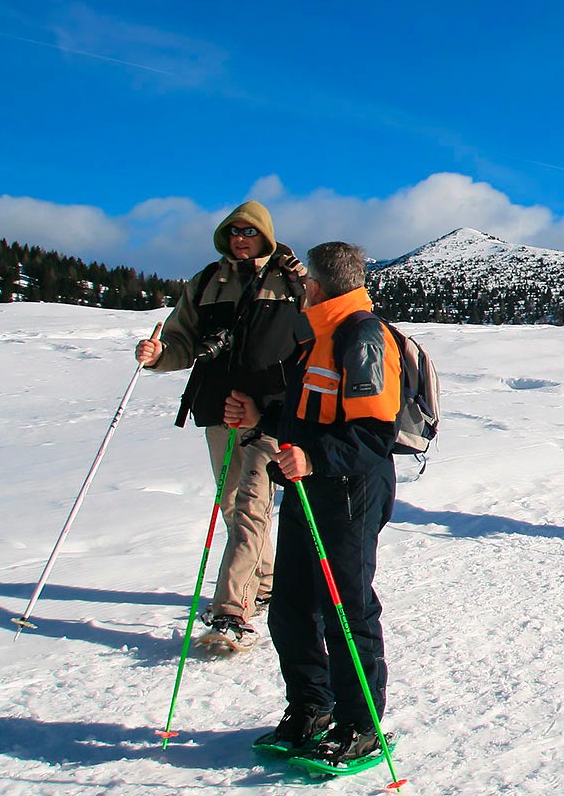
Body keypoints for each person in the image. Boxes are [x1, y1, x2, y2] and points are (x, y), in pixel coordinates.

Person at [225, 241, 401, 767]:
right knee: (291, 603)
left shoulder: (361, 334)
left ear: (319, 285)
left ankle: (360, 725)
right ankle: (310, 708)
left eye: (306, 280)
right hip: (308, 486)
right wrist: (260, 420)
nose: (300, 285)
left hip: (351, 491)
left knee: (345, 608)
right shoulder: (320, 332)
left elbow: (374, 434)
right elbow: (308, 417)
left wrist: (315, 459)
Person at [133, 200, 306, 651]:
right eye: (233, 232)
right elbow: (181, 340)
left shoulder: (293, 280)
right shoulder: (207, 282)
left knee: (252, 506)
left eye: (248, 232)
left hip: (270, 412)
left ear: (265, 234)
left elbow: (314, 344)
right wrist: (158, 357)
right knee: (232, 505)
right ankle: (264, 581)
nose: (239, 239)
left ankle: (232, 612)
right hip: (217, 409)